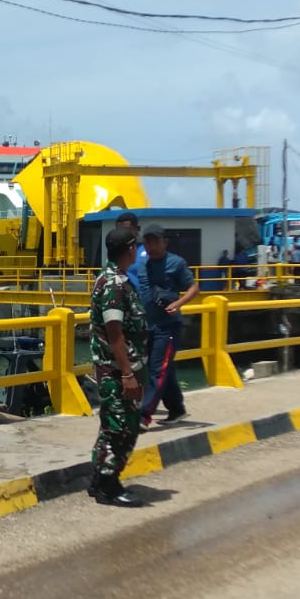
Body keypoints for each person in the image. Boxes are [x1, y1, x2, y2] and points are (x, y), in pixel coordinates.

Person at [88, 226, 148, 507]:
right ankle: (108, 488)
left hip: (126, 367)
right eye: (135, 246)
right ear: (129, 249)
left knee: (114, 425)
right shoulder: (113, 285)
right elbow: (115, 333)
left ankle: (100, 479)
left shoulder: (118, 279)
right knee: (121, 427)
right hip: (117, 370)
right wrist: (126, 374)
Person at [140, 223, 199, 425]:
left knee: (158, 369)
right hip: (149, 325)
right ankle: (177, 409)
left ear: (164, 242)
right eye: (147, 241)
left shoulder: (176, 263)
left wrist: (178, 304)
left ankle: (143, 415)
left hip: (168, 326)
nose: (151, 245)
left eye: (155, 240)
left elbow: (193, 287)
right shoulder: (143, 264)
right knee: (166, 368)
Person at [114, 211, 148, 293]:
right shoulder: (114, 252)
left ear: (137, 229)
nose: (123, 233)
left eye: (126, 229)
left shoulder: (148, 251)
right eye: (119, 230)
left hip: (141, 302)